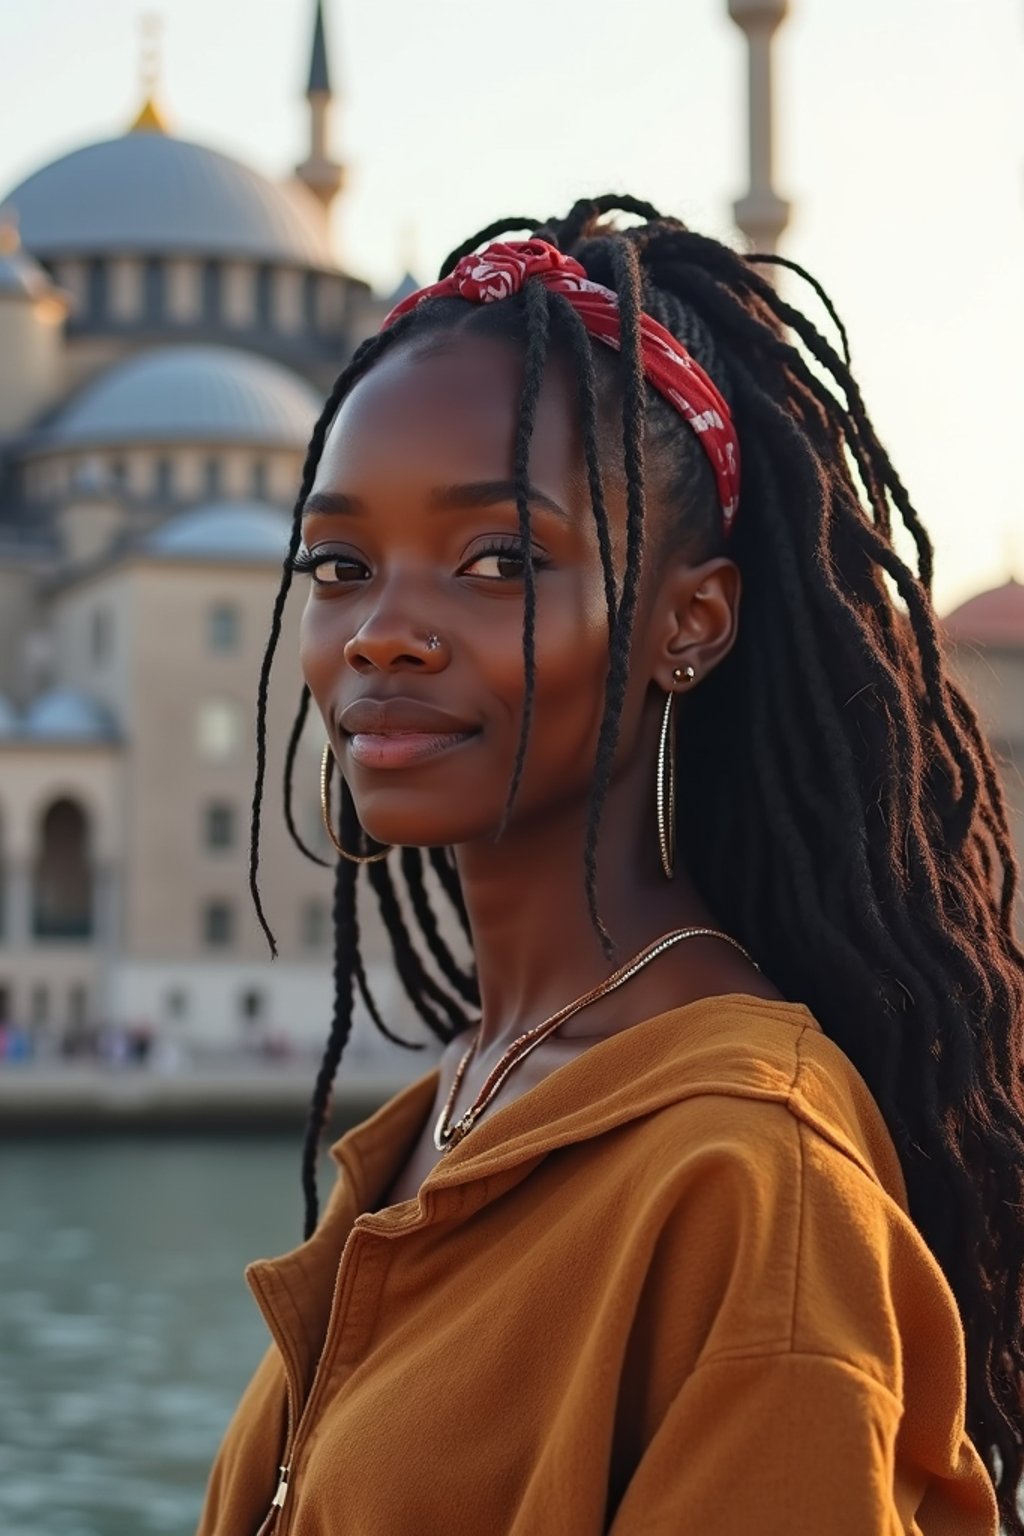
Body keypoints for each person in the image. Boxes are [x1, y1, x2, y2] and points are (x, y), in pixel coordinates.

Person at [196, 197, 1024, 1535]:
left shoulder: (752, 1178)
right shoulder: (468, 1099)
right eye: (340, 563)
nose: (384, 633)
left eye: (499, 559)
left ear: (688, 621)